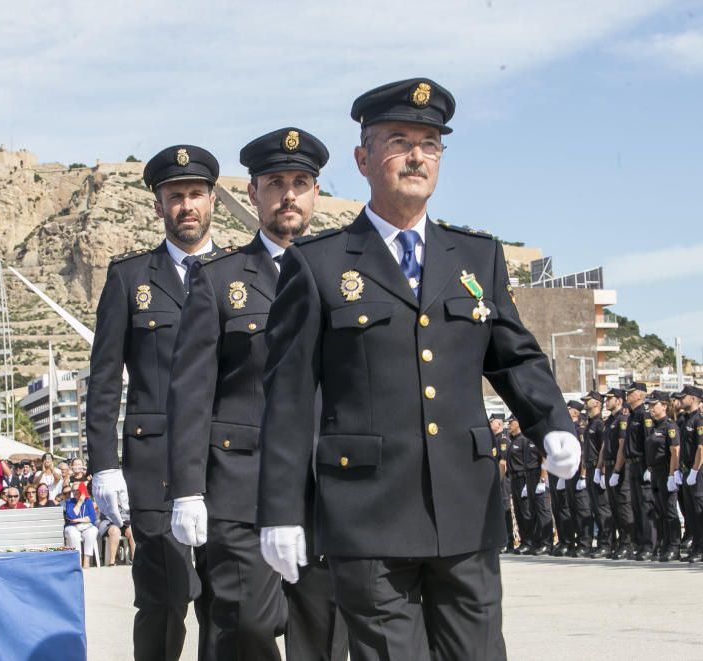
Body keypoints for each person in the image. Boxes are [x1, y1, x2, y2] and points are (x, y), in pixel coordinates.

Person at [255, 80, 579, 660]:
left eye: (430, 144)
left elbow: (512, 353)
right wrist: (281, 510)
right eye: (399, 141)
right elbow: (289, 396)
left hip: (464, 506)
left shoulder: (476, 257)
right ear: (362, 158)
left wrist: (551, 418)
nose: (416, 156)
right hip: (367, 514)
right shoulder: (317, 263)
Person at [167, 127, 345, 661]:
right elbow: (191, 392)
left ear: (315, 193)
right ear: (253, 194)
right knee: (244, 627)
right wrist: (187, 489)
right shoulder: (218, 280)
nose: (288, 194)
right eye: (275, 183)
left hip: (323, 489)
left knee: (324, 636)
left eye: (300, 182)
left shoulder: (344, 272)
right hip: (241, 486)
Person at [86, 145, 220, 660]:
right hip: (153, 467)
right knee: (162, 602)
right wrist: (104, 465)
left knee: (225, 599)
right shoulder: (130, 278)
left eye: (195, 194)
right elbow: (104, 379)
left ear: (211, 201)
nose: (186, 205)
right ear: (158, 205)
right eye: (174, 196)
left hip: (222, 457)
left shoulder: (237, 274)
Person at [506, 417, 552, 555]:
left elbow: (544, 457)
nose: (509, 424)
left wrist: (543, 479)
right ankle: (535, 541)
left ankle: (546, 543)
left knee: (542, 511)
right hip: (528, 476)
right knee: (531, 511)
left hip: (537, 475)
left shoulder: (537, 438)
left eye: (511, 422)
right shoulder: (526, 439)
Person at [644, 391, 681, 561]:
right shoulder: (653, 426)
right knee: (659, 511)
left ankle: (674, 547)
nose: (650, 408)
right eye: (649, 405)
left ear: (664, 406)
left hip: (667, 472)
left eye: (654, 405)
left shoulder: (670, 426)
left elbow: (675, 452)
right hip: (656, 473)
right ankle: (664, 545)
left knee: (670, 512)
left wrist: (672, 475)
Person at [597, 388, 634, 559]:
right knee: (614, 507)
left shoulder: (623, 419)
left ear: (619, 400)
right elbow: (604, 446)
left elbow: (622, 446)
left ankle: (628, 543)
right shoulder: (609, 420)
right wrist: (600, 468)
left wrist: (617, 471)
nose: (606, 401)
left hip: (619, 468)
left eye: (609, 398)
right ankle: (621, 543)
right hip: (609, 466)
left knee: (623, 506)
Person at [623, 383, 657, 561]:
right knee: (636, 506)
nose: (627, 396)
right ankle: (640, 543)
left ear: (639, 396)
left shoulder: (645, 416)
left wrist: (649, 467)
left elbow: (649, 443)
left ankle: (649, 545)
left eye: (630, 393)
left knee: (645, 507)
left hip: (642, 465)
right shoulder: (631, 417)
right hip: (632, 465)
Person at [555, 401, 593, 557]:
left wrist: (583, 475)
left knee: (582, 509)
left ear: (576, 413)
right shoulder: (567, 430)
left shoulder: (580, 430)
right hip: (569, 474)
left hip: (578, 474)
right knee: (572, 509)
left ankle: (586, 543)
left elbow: (583, 453)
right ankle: (577, 542)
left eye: (568, 410)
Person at [582, 391, 614, 558]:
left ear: (597, 403)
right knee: (595, 508)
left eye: (588, 400)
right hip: (590, 469)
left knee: (603, 509)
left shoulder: (600, 424)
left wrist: (601, 471)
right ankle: (602, 542)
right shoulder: (590, 424)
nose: (585, 403)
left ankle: (606, 544)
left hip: (597, 468)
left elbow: (604, 448)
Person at [682, 385, 703, 563]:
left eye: (685, 397)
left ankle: (701, 548)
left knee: (698, 512)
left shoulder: (699, 420)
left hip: (697, 471)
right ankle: (696, 546)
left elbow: (701, 448)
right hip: (687, 469)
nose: (682, 400)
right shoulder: (686, 419)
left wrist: (695, 471)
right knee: (690, 512)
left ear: (694, 399)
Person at [489, 414, 514, 552]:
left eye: (492, 422)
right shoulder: (494, 439)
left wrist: (498, 481)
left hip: (502, 479)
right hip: (496, 478)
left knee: (505, 509)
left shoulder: (503, 440)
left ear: (498, 424)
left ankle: (508, 541)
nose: (490, 424)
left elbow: (502, 463)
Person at [64, 482, 99, 568]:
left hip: (86, 527)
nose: (75, 492)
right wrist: (79, 502)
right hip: (72, 527)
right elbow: (71, 516)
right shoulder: (69, 502)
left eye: (78, 490)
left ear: (83, 491)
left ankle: (86, 560)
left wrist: (77, 520)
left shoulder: (88, 501)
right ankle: (78, 560)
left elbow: (92, 518)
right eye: (73, 490)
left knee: (93, 530)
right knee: (73, 533)